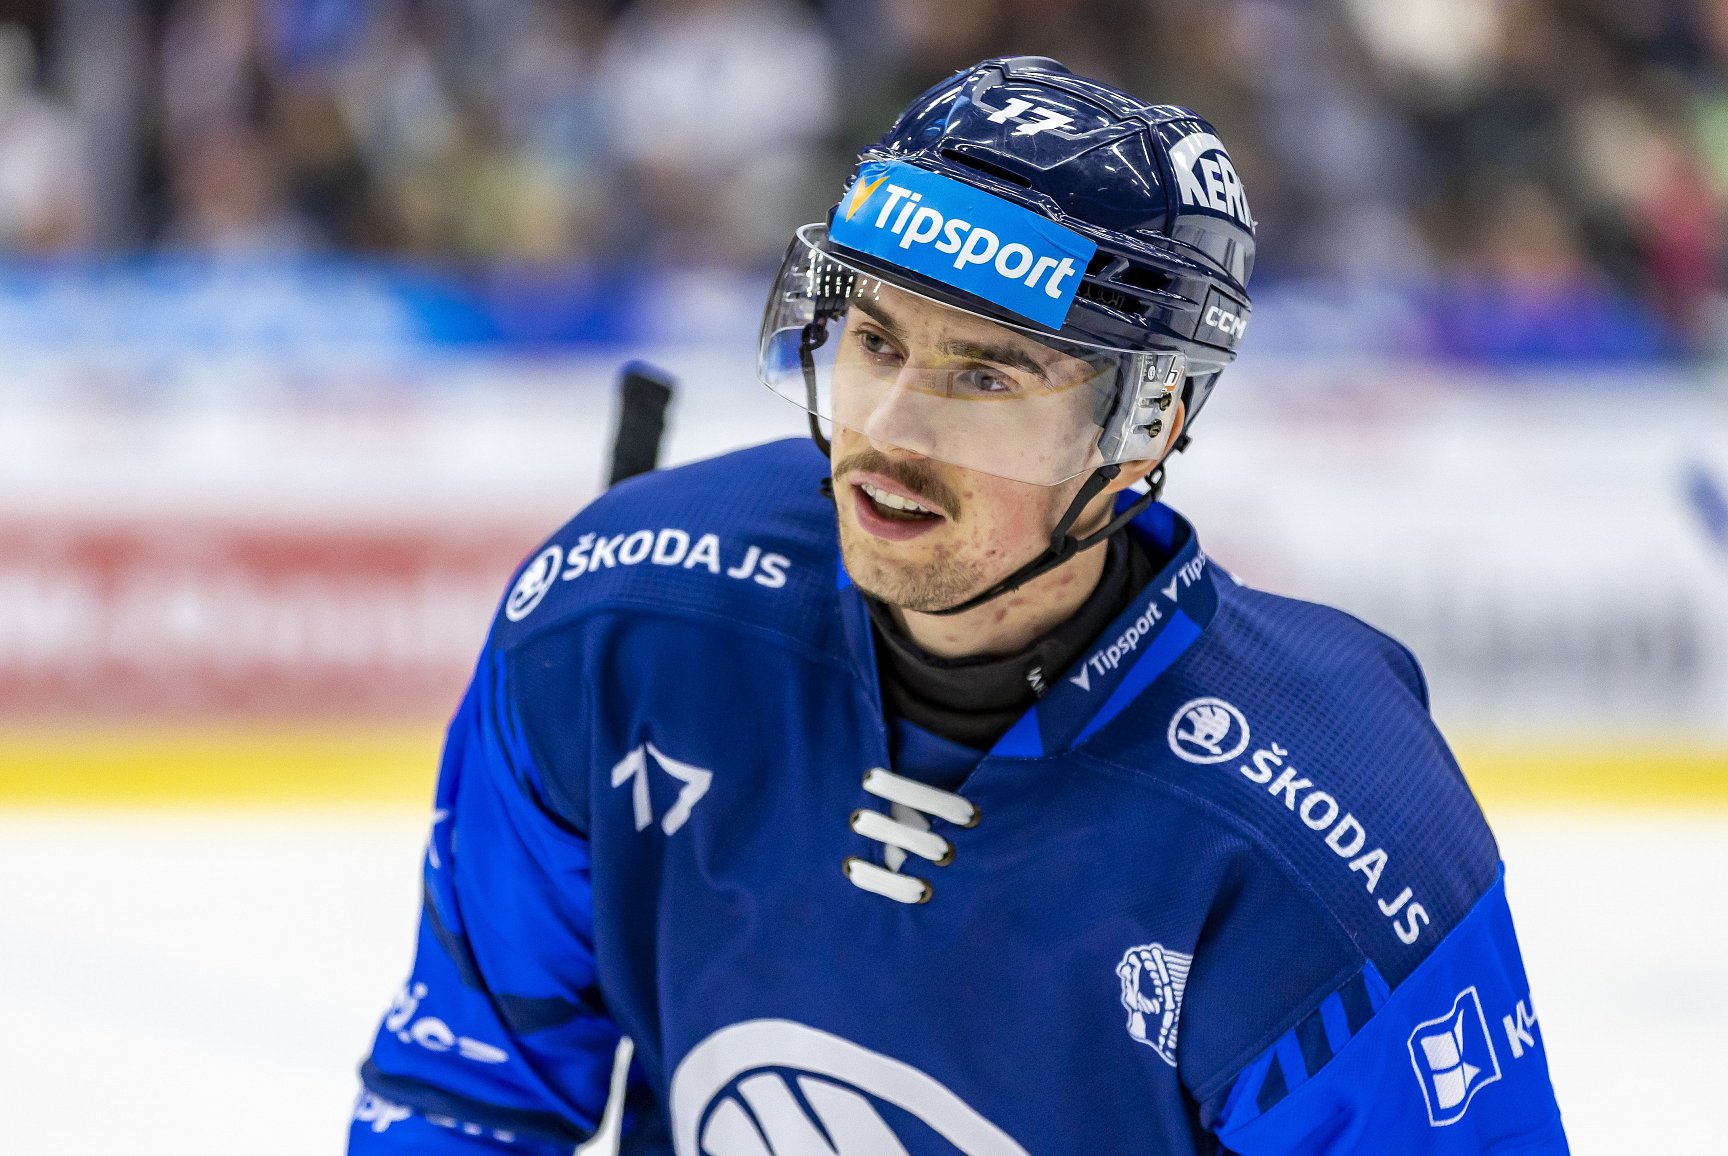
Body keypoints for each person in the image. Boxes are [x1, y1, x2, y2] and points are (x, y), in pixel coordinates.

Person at [349, 57, 1567, 1154]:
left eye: (984, 377)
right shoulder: (622, 620)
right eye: (875, 343)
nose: (888, 434)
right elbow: (465, 1100)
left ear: (1146, 426)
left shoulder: (1328, 832)